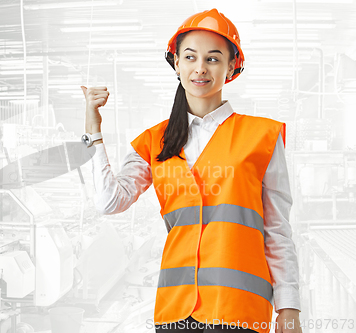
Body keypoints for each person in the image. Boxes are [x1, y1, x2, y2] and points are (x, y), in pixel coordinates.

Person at [81, 8, 302, 333]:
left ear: (231, 68)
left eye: (213, 58)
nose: (200, 68)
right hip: (175, 311)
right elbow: (109, 201)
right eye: (190, 57)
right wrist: (92, 130)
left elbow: (278, 230)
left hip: (239, 311)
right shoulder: (154, 141)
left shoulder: (263, 138)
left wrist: (289, 307)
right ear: (177, 64)